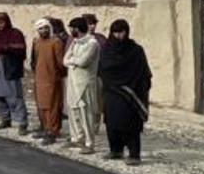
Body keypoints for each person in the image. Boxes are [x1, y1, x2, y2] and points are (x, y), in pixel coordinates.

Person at [98, 19, 152, 165]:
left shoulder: (136, 50)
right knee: (112, 123)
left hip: (131, 93)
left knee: (130, 124)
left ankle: (134, 154)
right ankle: (116, 150)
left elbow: (143, 73)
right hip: (112, 92)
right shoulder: (107, 49)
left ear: (127, 32)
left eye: (121, 32)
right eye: (115, 32)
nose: (118, 36)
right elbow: (102, 68)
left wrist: (137, 87)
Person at [0, 12, 29, 134]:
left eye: (3, 21)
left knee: (14, 97)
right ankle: (5, 119)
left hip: (10, 69)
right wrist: (0, 48)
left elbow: (20, 48)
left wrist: (6, 48)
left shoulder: (15, 33)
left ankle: (22, 123)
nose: (1, 24)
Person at [64, 16, 100, 154]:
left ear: (77, 28)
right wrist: (74, 61)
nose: (70, 30)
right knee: (73, 111)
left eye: (72, 28)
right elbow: (64, 60)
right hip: (73, 82)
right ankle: (76, 138)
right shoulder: (75, 42)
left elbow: (84, 62)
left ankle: (89, 142)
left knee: (86, 113)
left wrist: (73, 61)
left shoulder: (92, 43)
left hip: (85, 83)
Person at [31, 18, 66, 145]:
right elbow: (34, 60)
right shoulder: (36, 42)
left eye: (46, 27)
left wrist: (58, 75)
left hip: (52, 78)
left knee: (53, 106)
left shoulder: (56, 42)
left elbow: (60, 63)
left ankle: (53, 131)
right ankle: (46, 128)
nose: (43, 30)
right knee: (42, 105)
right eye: (40, 28)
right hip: (40, 78)